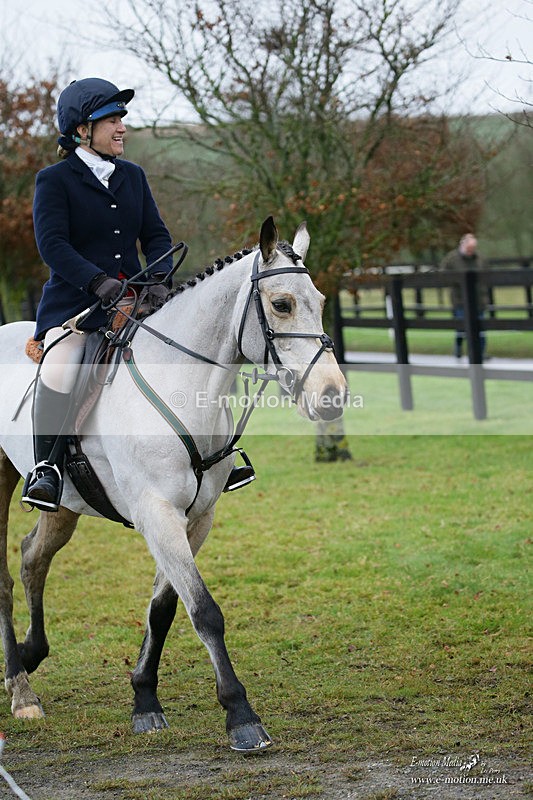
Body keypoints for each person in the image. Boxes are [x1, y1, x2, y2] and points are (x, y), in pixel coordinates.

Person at [22, 77, 252, 513]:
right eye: (111, 120)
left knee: (196, 350)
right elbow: (53, 246)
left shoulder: (132, 176)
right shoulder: (53, 180)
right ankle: (47, 468)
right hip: (79, 306)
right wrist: (97, 282)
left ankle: (218, 455)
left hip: (138, 302)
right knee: (61, 364)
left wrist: (161, 280)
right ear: (81, 131)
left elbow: (157, 237)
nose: (122, 127)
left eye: (122, 119)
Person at [439, 233, 488, 361]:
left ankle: (480, 353)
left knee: (481, 327)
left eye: (473, 249)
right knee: (461, 326)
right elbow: (443, 276)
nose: (471, 251)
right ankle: (459, 349)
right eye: (469, 249)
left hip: (478, 299)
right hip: (460, 299)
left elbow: (487, 275)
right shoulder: (451, 259)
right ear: (463, 245)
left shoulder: (480, 259)